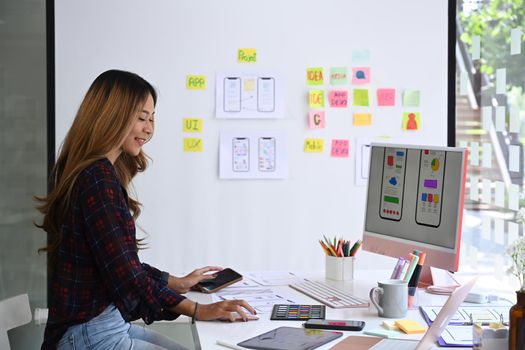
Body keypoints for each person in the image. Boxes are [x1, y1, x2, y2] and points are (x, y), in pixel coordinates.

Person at [36, 70, 255, 349]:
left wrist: (176, 283)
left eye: (152, 118)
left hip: (106, 325)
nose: (149, 128)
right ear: (111, 116)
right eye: (141, 118)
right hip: (89, 334)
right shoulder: (97, 180)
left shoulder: (96, 174)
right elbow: (126, 277)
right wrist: (198, 309)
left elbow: (120, 263)